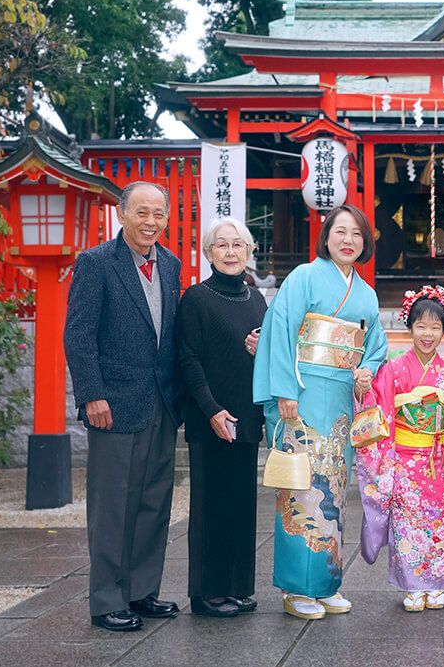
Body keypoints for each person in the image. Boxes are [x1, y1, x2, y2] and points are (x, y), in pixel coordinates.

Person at [252, 203, 388, 620]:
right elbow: (280, 331)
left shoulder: (365, 293)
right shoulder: (304, 277)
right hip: (304, 393)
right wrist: (284, 390)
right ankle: (296, 588)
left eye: (357, 234)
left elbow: (376, 346)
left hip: (342, 397)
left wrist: (365, 371)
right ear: (325, 237)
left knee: (333, 489)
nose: (348, 240)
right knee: (301, 488)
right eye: (340, 232)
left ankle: (327, 584)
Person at [63, 181, 182, 631]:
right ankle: (107, 600)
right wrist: (91, 393)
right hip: (112, 403)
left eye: (158, 213)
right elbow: (79, 334)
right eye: (141, 212)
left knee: (154, 501)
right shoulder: (96, 263)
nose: (150, 221)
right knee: (113, 505)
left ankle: (141, 591)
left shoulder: (169, 264)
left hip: (161, 402)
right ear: (122, 214)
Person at [354, 285, 444, 612]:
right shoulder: (392, 370)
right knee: (406, 523)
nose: (428, 334)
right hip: (403, 461)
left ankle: (435, 583)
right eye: (421, 326)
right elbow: (377, 410)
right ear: (409, 327)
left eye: (435, 327)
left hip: (438, 461)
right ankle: (412, 585)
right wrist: (362, 390)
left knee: (437, 522)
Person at [175, 217, 268, 617]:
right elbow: (188, 359)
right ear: (209, 253)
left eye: (238, 245)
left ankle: (237, 586)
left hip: (246, 414)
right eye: (222, 245)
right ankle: (207, 593)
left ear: (249, 251)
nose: (231, 252)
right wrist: (211, 409)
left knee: (242, 505)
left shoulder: (256, 299)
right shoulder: (197, 298)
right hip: (209, 414)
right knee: (210, 506)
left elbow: (268, 354)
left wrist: (260, 348)